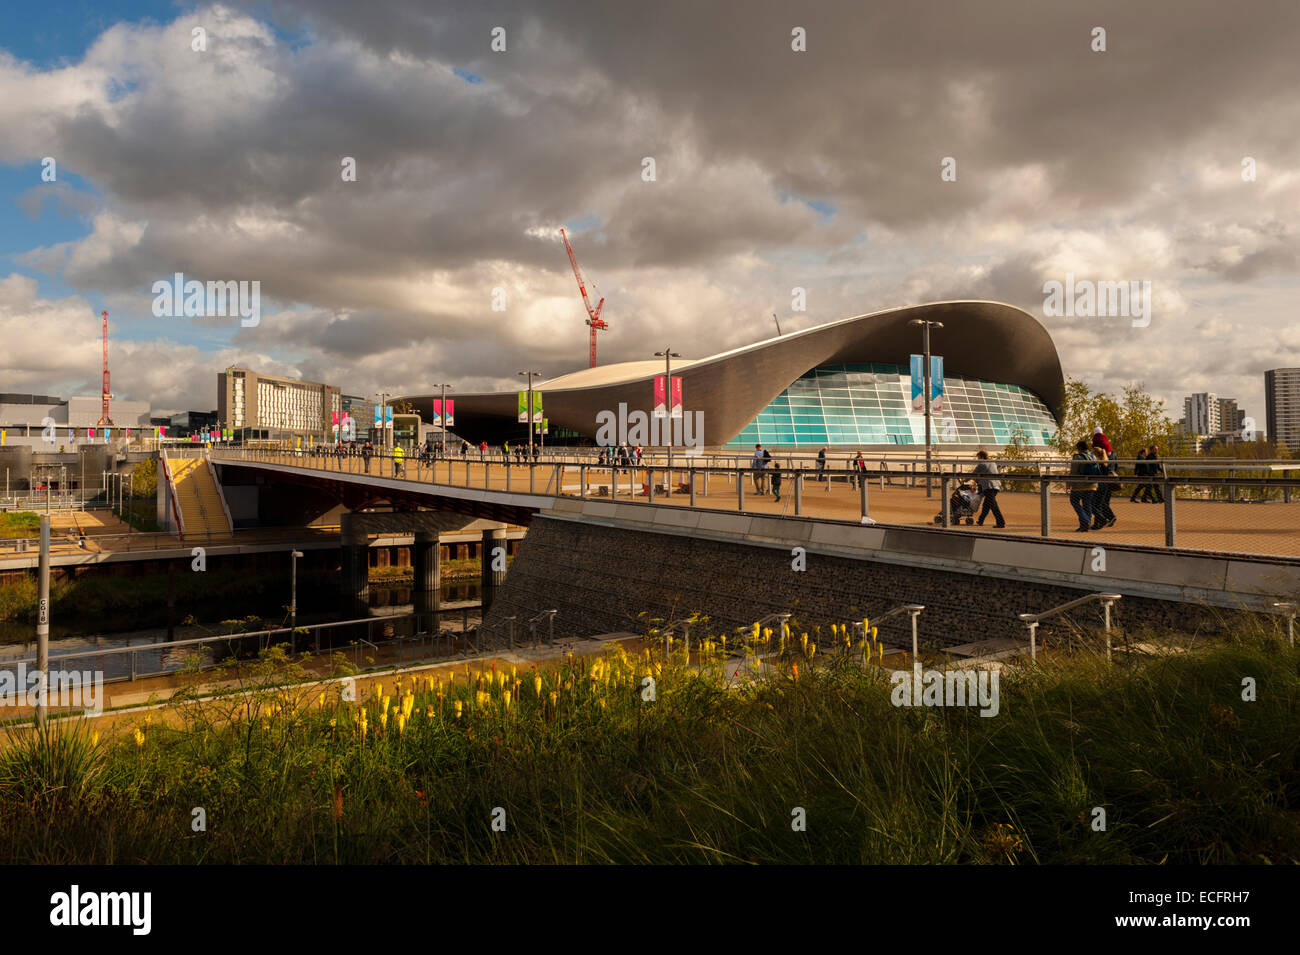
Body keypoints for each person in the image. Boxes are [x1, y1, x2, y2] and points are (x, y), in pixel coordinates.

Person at [971, 450, 1005, 528]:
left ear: (981, 457)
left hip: (988, 487)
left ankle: (1001, 522)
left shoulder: (981, 465)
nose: (978, 459)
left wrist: (965, 480)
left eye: (978, 457)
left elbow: (972, 475)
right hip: (996, 486)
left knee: (993, 506)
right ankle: (980, 520)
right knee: (986, 505)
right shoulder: (993, 463)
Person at [1069, 439, 1098, 531]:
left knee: (1074, 501)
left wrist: (1069, 483)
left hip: (1079, 485)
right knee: (1087, 503)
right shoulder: (1093, 456)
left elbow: (1073, 472)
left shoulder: (1077, 457)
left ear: (1080, 448)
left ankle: (1085, 521)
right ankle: (1085, 525)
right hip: (1092, 484)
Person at [1090, 429, 1117, 528]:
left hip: (1100, 482)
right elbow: (1116, 465)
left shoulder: (1096, 445)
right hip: (1110, 479)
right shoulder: (1112, 453)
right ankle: (1107, 518)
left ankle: (1100, 521)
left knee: (1097, 503)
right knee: (1103, 501)